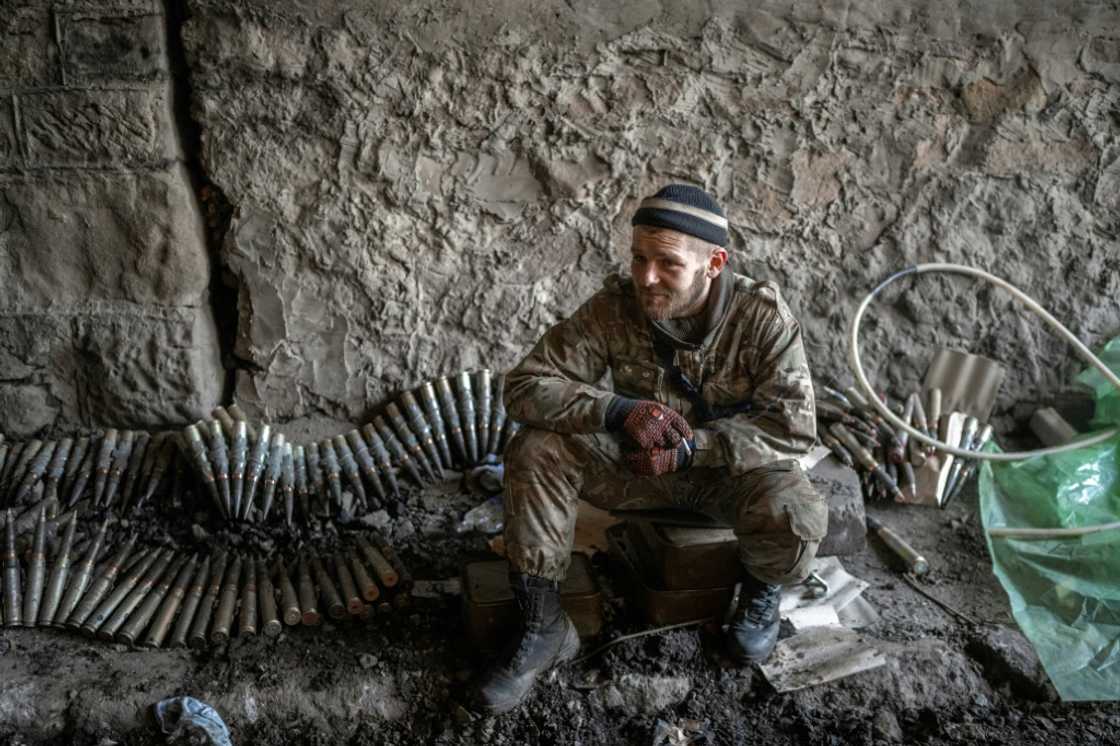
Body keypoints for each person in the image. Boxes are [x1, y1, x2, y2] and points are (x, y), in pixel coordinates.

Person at [473, 184, 828, 714]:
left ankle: (760, 596)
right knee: (536, 447)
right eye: (639, 258)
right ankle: (543, 625)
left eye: (668, 264)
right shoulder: (617, 307)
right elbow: (525, 386)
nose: (647, 277)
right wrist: (616, 411)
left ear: (714, 264)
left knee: (797, 511)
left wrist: (695, 449)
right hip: (638, 470)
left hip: (728, 480)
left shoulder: (761, 319)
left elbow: (791, 429)